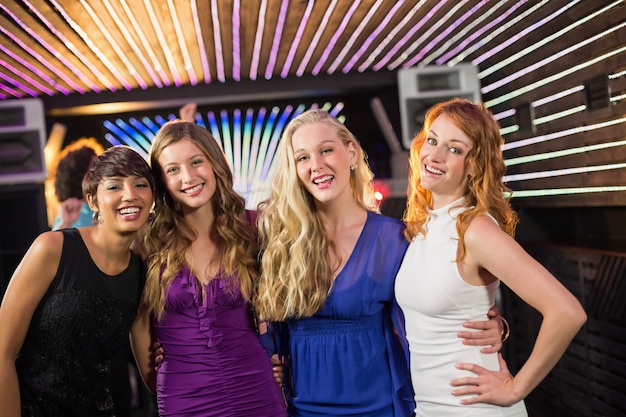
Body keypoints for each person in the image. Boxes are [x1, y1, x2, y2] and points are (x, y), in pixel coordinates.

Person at [254, 109, 504, 417]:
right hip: (301, 409)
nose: (316, 165)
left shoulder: (396, 239)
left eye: (326, 150)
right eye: (302, 158)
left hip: (380, 407)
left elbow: (438, 304)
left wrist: (493, 324)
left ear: (351, 152)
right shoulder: (279, 240)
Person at [395, 98, 587, 416]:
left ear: (474, 165)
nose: (436, 155)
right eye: (432, 140)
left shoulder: (475, 229)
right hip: (433, 408)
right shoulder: (426, 222)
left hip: (475, 408)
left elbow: (567, 311)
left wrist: (515, 389)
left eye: (454, 149)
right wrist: (498, 325)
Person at [130, 120, 286, 417]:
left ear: (214, 163)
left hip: (256, 386)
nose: (188, 176)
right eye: (173, 169)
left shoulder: (254, 228)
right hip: (182, 394)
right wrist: (154, 376)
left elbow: (280, 303)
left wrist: (280, 357)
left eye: (196, 161)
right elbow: (137, 318)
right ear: (161, 180)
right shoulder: (147, 240)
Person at [0, 146, 155, 417]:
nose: (130, 195)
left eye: (140, 184)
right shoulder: (53, 248)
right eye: (115, 186)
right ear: (92, 201)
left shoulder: (141, 273)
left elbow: (151, 372)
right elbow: (2, 354)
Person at [52, 144, 99, 230]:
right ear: (80, 178)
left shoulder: (103, 206)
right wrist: (66, 224)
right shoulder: (71, 217)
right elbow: (53, 241)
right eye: (94, 167)